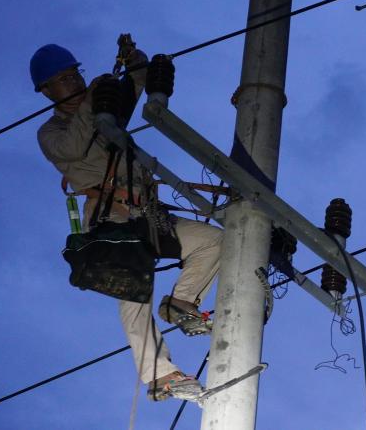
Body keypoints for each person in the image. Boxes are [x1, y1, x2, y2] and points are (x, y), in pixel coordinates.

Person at [30, 40, 222, 402]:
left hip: (147, 212)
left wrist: (136, 64)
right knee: (132, 290)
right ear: (46, 90)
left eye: (74, 74)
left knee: (215, 241)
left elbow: (133, 87)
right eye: (63, 79)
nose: (72, 82)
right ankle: (159, 374)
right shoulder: (50, 133)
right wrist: (97, 98)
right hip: (110, 216)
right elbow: (75, 146)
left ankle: (181, 303)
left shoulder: (104, 105)